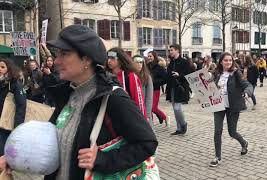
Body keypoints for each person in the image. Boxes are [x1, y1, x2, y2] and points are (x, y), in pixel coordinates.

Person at [0, 25, 159, 179]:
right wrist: (15, 158)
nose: (56, 61)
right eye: (57, 54)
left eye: (64, 54)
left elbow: (147, 143)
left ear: (87, 59)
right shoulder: (67, 95)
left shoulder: (113, 98)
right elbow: (50, 142)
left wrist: (104, 159)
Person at [209, 52, 253, 167]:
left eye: (230, 60)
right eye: (225, 60)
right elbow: (208, 87)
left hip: (233, 106)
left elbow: (247, 85)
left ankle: (244, 143)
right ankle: (217, 157)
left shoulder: (236, 73)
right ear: (221, 62)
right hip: (219, 106)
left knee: (232, 132)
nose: (228, 62)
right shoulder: (216, 73)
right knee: (217, 131)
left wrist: (247, 93)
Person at [106, 47, 147, 119]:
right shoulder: (105, 76)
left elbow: (138, 100)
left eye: (112, 58)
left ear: (120, 60)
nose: (109, 61)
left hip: (127, 117)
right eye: (108, 58)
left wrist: (142, 121)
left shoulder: (130, 76)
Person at [0, 59, 26, 158]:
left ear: (9, 69)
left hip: (6, 123)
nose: (0, 69)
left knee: (3, 152)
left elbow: (21, 106)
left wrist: (17, 127)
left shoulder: (15, 83)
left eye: (2, 67)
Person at [166, 44, 192, 135]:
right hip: (172, 88)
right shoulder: (171, 62)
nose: (170, 51)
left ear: (177, 50)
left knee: (177, 108)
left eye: (172, 50)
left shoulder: (184, 62)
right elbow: (168, 75)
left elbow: (189, 74)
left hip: (181, 88)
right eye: (170, 50)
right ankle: (179, 129)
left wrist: (179, 75)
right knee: (174, 108)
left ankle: (183, 124)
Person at [147, 51, 169, 126]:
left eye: (151, 56)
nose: (149, 58)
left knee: (153, 108)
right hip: (147, 89)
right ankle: (150, 123)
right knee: (148, 108)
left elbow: (165, 78)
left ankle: (164, 117)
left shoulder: (159, 67)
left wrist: (155, 82)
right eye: (148, 56)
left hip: (155, 89)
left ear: (154, 57)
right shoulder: (146, 66)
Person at [133, 55, 154, 128]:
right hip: (133, 110)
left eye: (141, 62)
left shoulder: (147, 77)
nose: (139, 64)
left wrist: (147, 114)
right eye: (136, 62)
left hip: (144, 109)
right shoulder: (129, 76)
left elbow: (149, 97)